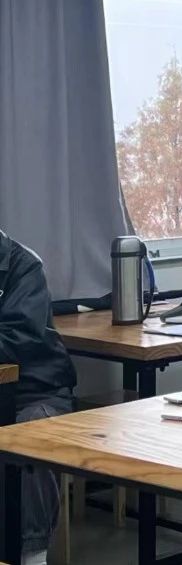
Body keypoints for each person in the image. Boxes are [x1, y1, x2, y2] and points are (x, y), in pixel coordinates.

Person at [0, 230, 78, 565]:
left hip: (36, 390)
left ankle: (33, 554)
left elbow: (17, 339)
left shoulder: (23, 266)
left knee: (31, 436)